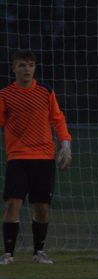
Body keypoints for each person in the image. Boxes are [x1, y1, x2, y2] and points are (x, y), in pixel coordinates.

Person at [0, 50, 72, 265]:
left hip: (44, 157)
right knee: (13, 203)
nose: (27, 69)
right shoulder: (4, 95)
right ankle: (8, 254)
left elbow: (57, 120)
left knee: (41, 206)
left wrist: (65, 144)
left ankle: (38, 253)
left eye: (31, 65)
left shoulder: (45, 91)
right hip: (18, 157)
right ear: (13, 68)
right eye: (22, 65)